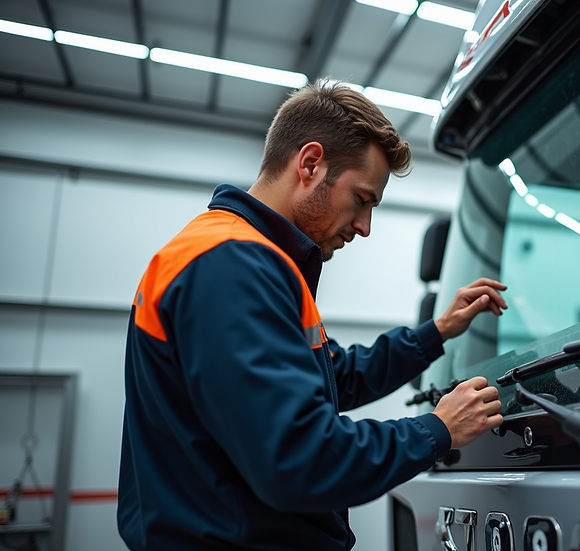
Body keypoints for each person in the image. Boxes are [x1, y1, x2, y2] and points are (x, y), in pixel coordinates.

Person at [117, 80, 507, 551]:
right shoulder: (232, 266)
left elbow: (336, 377)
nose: (364, 228)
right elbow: (299, 458)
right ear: (310, 163)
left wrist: (437, 331)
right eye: (362, 200)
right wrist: (437, 430)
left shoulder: (247, 258)